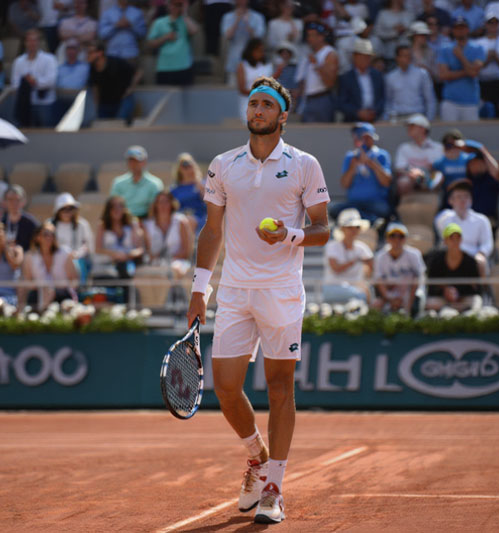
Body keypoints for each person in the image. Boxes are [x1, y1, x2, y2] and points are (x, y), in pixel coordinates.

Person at [186, 75, 330, 525]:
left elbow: (323, 229)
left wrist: (288, 235)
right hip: (233, 291)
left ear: (282, 115)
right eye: (254, 105)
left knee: (280, 389)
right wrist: (198, 288)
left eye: (268, 105)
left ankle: (273, 489)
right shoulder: (223, 165)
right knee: (226, 389)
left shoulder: (305, 164)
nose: (259, 111)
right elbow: (212, 231)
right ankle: (256, 457)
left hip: (282, 293)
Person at [328, 122, 392, 223]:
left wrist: (372, 164)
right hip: (354, 204)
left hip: (375, 204)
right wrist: (353, 166)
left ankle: (360, 219)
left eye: (365, 137)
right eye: (357, 137)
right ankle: (369, 219)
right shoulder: (350, 157)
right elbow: (345, 184)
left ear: (372, 138)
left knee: (384, 210)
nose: (359, 140)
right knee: (334, 210)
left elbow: (386, 182)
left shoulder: (382, 155)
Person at [435, 179, 494, 275]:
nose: (463, 200)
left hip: (473, 258)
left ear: (471, 200)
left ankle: (482, 289)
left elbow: (487, 244)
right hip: (450, 257)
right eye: (458, 197)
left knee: (481, 261)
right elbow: (444, 241)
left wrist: (481, 254)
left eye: (466, 196)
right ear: (451, 201)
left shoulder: (482, 220)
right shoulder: (444, 219)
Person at [20, 220, 79, 309]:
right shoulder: (30, 256)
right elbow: (28, 281)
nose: (49, 237)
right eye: (46, 234)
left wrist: (55, 290)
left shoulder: (64, 253)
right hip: (38, 293)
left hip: (62, 293)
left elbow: (74, 280)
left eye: (52, 234)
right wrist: (43, 288)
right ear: (37, 237)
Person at [437, 16, 485, 122]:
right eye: (457, 28)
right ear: (453, 30)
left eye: (462, 27)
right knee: (450, 136)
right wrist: (467, 70)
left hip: (470, 101)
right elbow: (443, 75)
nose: (460, 31)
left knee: (471, 136)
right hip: (450, 101)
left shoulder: (478, 48)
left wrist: (461, 57)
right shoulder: (445, 49)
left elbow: (474, 74)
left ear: (467, 29)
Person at [425, 222, 482, 311]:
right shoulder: (436, 260)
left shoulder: (470, 261)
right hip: (443, 301)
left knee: (477, 301)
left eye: (458, 237)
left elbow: (477, 287)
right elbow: (431, 285)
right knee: (429, 303)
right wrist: (445, 292)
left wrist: (459, 293)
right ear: (445, 241)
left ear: (461, 239)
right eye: (451, 238)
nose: (455, 241)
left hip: (463, 300)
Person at [373, 222, 426, 315]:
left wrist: (407, 304)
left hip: (412, 295)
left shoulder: (414, 254)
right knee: (375, 305)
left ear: (405, 239)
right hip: (389, 295)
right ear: (387, 238)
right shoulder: (380, 256)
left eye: (400, 236)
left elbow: (417, 280)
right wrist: (390, 299)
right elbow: (379, 281)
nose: (396, 239)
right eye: (392, 236)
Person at [322, 208, 373, 303]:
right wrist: (355, 261)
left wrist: (363, 283)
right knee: (361, 296)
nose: (354, 230)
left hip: (356, 288)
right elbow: (336, 268)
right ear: (342, 229)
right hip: (333, 287)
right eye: (350, 227)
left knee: (368, 293)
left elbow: (370, 271)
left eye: (357, 227)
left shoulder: (363, 248)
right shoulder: (332, 246)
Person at [91, 194, 144, 285]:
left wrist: (128, 255)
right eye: (113, 207)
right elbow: (97, 249)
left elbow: (140, 249)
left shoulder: (132, 224)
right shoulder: (102, 225)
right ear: (109, 210)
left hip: (128, 265)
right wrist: (115, 254)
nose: (117, 210)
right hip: (108, 265)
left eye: (120, 206)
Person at [11, 29, 57, 128]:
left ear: (39, 42)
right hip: (25, 104)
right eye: (29, 40)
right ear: (25, 42)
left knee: (46, 132)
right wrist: (28, 83)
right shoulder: (18, 61)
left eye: (35, 40)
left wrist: (34, 81)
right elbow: (15, 84)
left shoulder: (50, 59)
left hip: (44, 103)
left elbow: (51, 81)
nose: (32, 43)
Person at [143, 189, 193, 281]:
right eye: (160, 202)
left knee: (174, 269)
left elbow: (186, 251)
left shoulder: (181, 221)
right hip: (155, 263)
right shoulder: (148, 225)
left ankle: (175, 295)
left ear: (171, 204)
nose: (163, 205)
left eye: (166, 202)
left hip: (177, 261)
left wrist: (169, 260)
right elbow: (148, 252)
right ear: (155, 205)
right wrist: (158, 261)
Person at [147, 0, 199, 86]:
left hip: (184, 67)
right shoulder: (159, 22)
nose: (174, 7)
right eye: (172, 4)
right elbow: (150, 43)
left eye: (178, 4)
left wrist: (184, 14)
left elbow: (194, 31)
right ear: (168, 5)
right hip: (164, 67)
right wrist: (165, 37)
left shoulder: (186, 21)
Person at [295, 21, 338, 122]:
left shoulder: (329, 53)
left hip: (322, 99)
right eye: (308, 35)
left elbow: (330, 83)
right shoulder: (310, 54)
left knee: (323, 135)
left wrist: (317, 65)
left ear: (321, 37)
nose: (309, 39)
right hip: (308, 100)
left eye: (312, 35)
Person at [86, 39, 139, 122]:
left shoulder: (116, 62)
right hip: (105, 104)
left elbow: (138, 72)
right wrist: (96, 109)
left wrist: (131, 89)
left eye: (90, 52)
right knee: (100, 125)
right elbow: (95, 89)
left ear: (100, 53)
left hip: (122, 100)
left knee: (118, 124)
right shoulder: (92, 68)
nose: (87, 55)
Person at [474, 12, 499, 114]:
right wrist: (488, 59)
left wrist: (497, 58)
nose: (493, 25)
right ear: (485, 24)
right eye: (490, 23)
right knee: (486, 110)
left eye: (495, 23)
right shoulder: (478, 43)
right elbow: (475, 66)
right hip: (483, 82)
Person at [393, 113, 443, 196]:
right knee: (403, 182)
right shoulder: (404, 147)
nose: (409, 129)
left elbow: (439, 169)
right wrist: (413, 174)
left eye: (412, 126)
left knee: (439, 177)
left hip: (430, 177)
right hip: (411, 178)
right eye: (409, 126)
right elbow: (399, 169)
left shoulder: (438, 147)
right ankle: (407, 205)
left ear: (422, 129)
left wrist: (424, 174)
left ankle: (432, 203)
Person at [384, 44, 437, 121]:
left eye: (409, 55)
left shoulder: (422, 74)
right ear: (397, 58)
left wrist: (429, 119)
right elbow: (388, 101)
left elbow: (430, 99)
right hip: (398, 116)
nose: (408, 58)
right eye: (404, 55)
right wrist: (387, 118)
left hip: (417, 116)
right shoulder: (390, 77)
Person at [337, 38, 385, 123]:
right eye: (363, 56)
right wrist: (357, 112)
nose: (366, 59)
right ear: (355, 57)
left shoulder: (377, 75)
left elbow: (382, 98)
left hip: (374, 119)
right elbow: (342, 103)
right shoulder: (346, 78)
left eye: (368, 57)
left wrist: (375, 111)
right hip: (353, 121)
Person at [110, 145, 164, 218]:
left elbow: (154, 209)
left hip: (146, 221)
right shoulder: (118, 183)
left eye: (137, 161)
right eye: (131, 161)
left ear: (144, 162)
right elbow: (113, 206)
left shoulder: (155, 183)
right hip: (123, 221)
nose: (134, 164)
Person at [220, 0, 266, 84]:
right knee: (231, 91)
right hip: (234, 61)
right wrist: (237, 20)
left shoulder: (257, 17)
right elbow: (227, 36)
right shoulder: (227, 17)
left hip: (253, 62)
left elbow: (258, 38)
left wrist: (247, 23)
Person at [236, 38, 274, 120]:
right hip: (248, 103)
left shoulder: (268, 66)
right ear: (251, 51)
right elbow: (242, 89)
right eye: (258, 51)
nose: (261, 53)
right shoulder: (242, 66)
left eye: (262, 51)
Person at [170, 152, 207, 232]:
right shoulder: (175, 189)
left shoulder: (202, 184)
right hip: (181, 217)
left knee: (188, 221)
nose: (188, 169)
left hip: (199, 217)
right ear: (179, 169)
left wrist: (196, 180)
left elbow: (207, 201)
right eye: (184, 166)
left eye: (190, 165)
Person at [0, 184, 40, 251]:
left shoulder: (31, 222)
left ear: (24, 201)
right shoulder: (0, 223)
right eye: (10, 200)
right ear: (4, 202)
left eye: (17, 200)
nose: (14, 203)